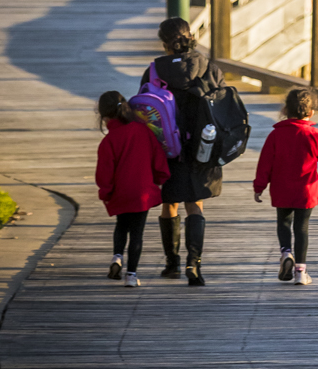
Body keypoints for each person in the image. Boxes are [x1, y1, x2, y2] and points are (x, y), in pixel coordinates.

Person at [142, 18, 225, 286]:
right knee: (195, 203)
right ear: (190, 37)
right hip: (203, 145)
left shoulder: (154, 70)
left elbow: (145, 110)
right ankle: (194, 263)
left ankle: (171, 264)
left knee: (170, 202)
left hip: (167, 148)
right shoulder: (209, 67)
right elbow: (223, 105)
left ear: (164, 42)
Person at [253, 88, 318, 284]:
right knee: (302, 227)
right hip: (306, 190)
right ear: (311, 112)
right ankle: (300, 272)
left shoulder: (275, 135)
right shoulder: (314, 133)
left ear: (285, 110)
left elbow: (265, 163)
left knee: (284, 223)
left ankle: (286, 253)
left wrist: (259, 186)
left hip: (281, 188)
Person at [95, 91, 170, 288]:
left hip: (120, 192)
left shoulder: (108, 141)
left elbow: (104, 173)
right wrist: (160, 179)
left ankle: (117, 257)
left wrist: (106, 192)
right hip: (142, 192)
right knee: (137, 233)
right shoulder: (143, 131)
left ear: (104, 117)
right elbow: (158, 159)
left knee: (121, 225)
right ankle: (131, 275)